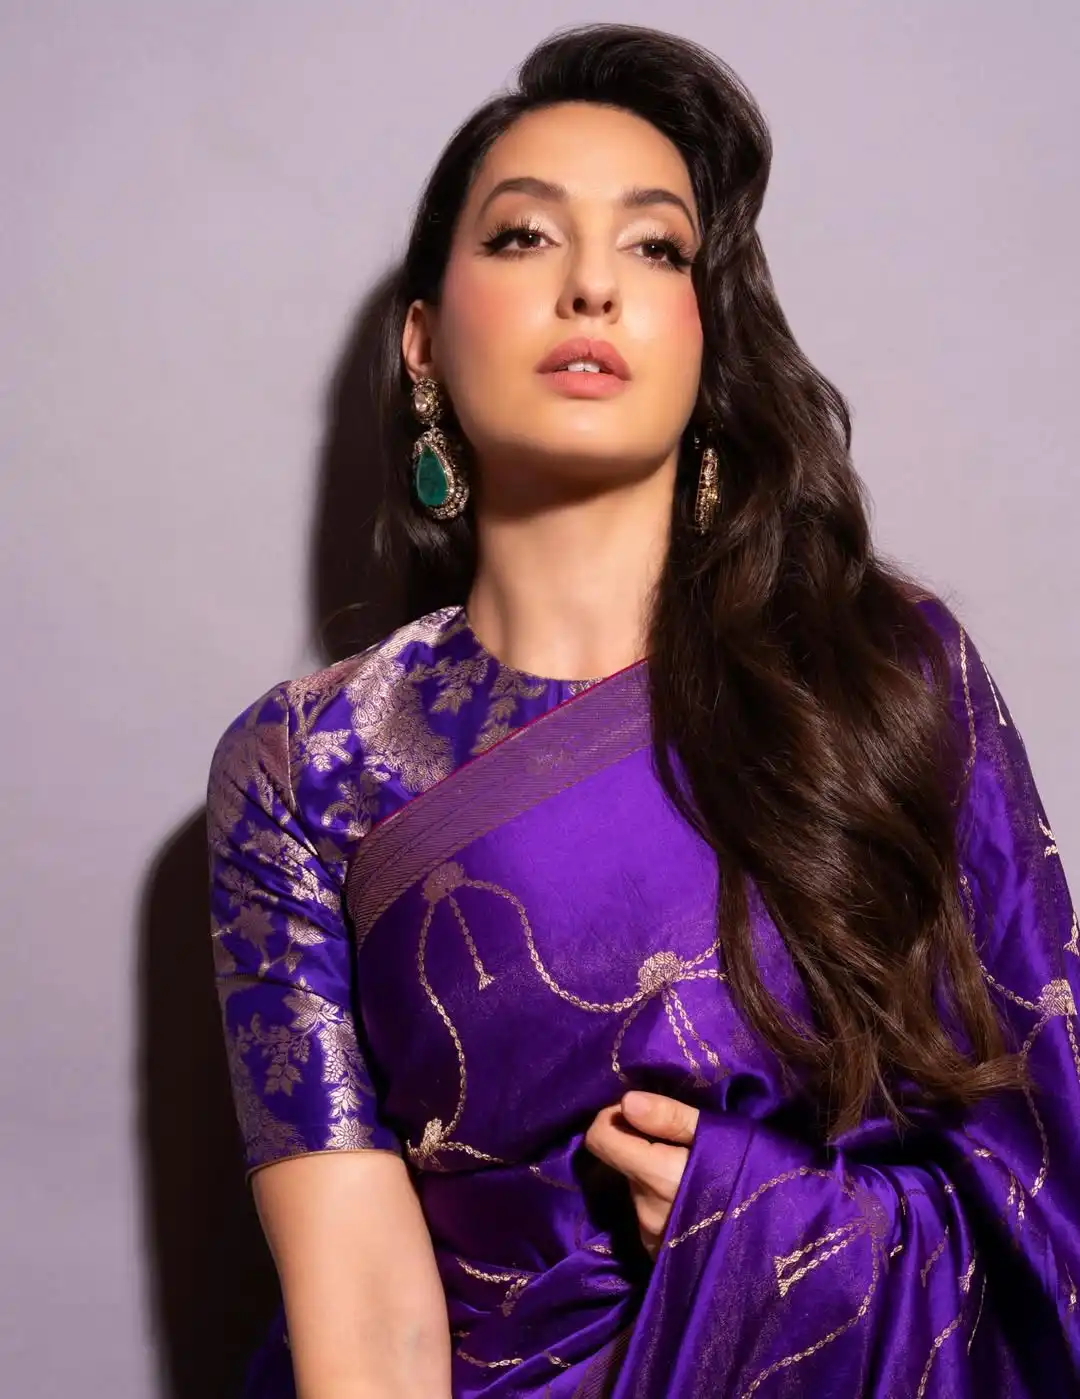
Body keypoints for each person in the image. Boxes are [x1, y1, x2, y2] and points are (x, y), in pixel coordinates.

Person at [206, 22, 1080, 1398]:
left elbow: (1050, 1193)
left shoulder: (885, 679)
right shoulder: (309, 764)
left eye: (657, 247)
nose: (593, 284)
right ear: (423, 343)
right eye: (524, 237)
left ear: (705, 339)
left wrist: (776, 1239)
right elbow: (368, 1322)